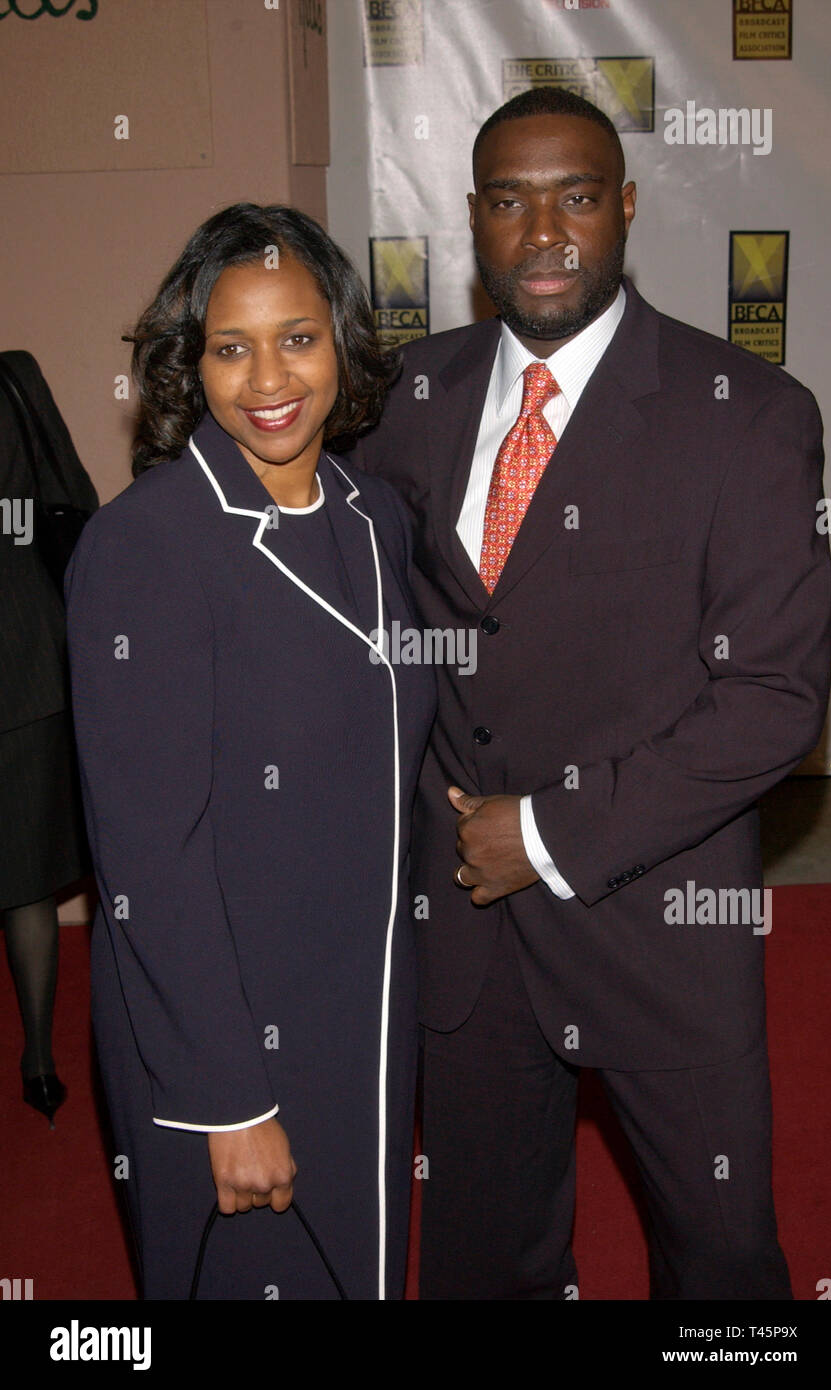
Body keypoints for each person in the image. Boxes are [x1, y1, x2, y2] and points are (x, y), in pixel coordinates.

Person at [347, 87, 831, 1300]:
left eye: (574, 196)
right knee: (479, 1252)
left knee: (720, 1263)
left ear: (623, 207)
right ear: (474, 222)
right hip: (465, 923)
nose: (544, 231)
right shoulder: (407, 400)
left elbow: (775, 696)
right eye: (510, 202)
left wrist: (549, 832)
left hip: (660, 919)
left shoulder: (748, 417)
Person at [64, 203, 436, 1300]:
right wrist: (228, 1099)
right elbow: (147, 856)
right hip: (221, 1031)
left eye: (297, 336)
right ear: (191, 364)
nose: (267, 375)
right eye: (231, 346)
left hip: (362, 1005)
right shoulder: (146, 547)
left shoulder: (376, 515)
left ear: (342, 342)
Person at [0, 350, 96, 1127]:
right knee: (26, 877)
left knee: (27, 878)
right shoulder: (15, 377)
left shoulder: (15, 376)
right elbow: (68, 498)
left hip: (24, 665)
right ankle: (37, 1058)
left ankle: (37, 1051)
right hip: (26, 656)